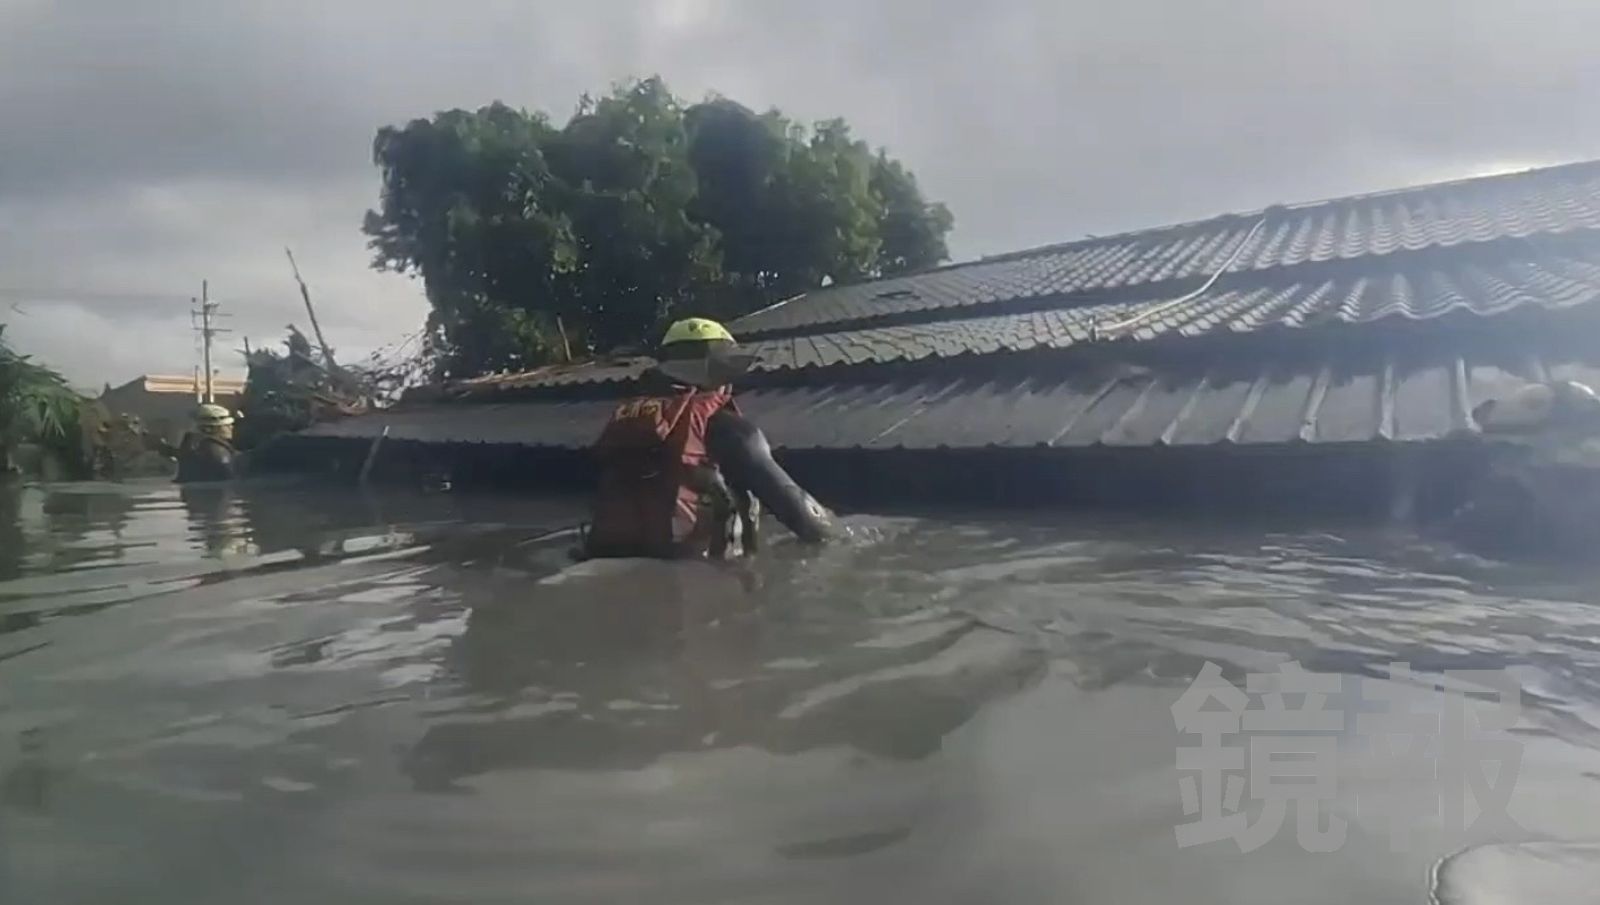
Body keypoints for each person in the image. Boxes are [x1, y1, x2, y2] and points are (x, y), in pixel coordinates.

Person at [579, 317, 835, 560]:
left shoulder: (626, 417)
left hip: (605, 557)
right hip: (690, 569)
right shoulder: (731, 430)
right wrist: (838, 531)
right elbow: (802, 515)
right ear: (716, 374)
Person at [170, 403, 241, 484]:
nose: (231, 427)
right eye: (226, 425)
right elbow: (229, 480)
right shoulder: (218, 452)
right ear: (209, 428)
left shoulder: (192, 446)